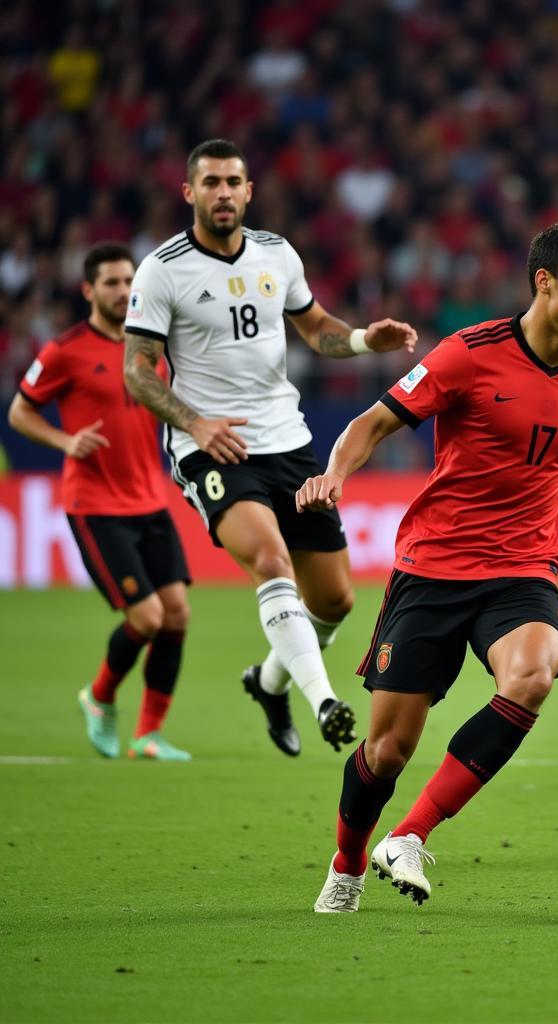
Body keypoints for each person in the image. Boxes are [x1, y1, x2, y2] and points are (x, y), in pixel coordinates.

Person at [296, 220, 558, 913]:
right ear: (545, 282)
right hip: (434, 565)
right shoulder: (468, 354)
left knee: (535, 672)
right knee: (388, 751)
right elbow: (371, 423)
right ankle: (348, 861)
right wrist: (336, 474)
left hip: (523, 570)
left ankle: (413, 834)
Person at [123, 139, 417, 758]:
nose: (223, 192)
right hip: (214, 449)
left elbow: (317, 331)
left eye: (233, 181)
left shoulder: (276, 254)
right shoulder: (162, 269)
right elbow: (137, 371)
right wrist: (196, 424)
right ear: (190, 193)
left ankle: (269, 680)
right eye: (211, 183)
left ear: (249, 191)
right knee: (271, 561)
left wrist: (367, 339)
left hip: (290, 441)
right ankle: (325, 702)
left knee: (334, 600)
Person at [8, 243, 192, 761]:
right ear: (88, 290)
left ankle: (148, 736)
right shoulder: (64, 351)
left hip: (149, 500)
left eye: (127, 280)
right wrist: (65, 443)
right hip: (95, 505)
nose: (121, 290)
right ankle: (100, 696)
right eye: (110, 282)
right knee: (149, 617)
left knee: (177, 614)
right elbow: (21, 412)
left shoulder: (149, 350)